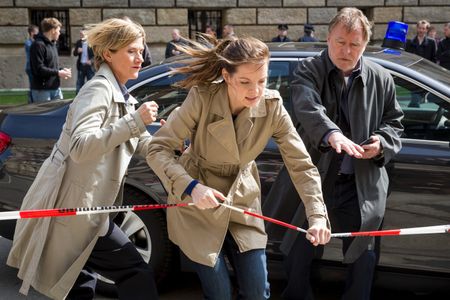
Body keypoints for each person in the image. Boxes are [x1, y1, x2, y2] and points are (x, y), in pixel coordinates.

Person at [146, 36, 331, 299]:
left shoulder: (273, 107)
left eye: (262, 81)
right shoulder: (201, 97)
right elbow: (157, 149)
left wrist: (317, 216)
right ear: (227, 76)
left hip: (242, 200)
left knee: (257, 290)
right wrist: (192, 187)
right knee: (219, 292)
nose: (255, 90)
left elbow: (301, 165)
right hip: (196, 200)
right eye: (245, 81)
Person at [7, 18, 159, 300]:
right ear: (108, 54)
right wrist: (136, 122)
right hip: (76, 208)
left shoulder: (119, 91)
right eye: (131, 51)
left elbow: (136, 141)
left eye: (141, 50)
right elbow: (80, 146)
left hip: (88, 208)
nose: (140, 58)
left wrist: (173, 146)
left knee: (81, 282)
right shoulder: (98, 89)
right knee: (135, 273)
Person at [265, 8, 404, 300]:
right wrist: (332, 134)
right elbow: (306, 107)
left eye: (354, 44)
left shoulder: (381, 77)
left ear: (365, 44)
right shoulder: (307, 70)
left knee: (362, 259)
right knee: (298, 253)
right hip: (314, 180)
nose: (346, 50)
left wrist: (381, 143)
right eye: (340, 42)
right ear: (328, 38)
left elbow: (395, 122)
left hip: (361, 184)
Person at [29, 17, 72, 102]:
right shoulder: (38, 45)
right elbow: (39, 69)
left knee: (60, 115)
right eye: (58, 30)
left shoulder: (53, 45)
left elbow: (51, 66)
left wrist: (62, 70)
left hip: (56, 88)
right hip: (42, 90)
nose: (59, 33)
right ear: (53, 30)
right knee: (44, 115)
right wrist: (58, 72)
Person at [73, 27, 95, 94]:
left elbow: (97, 55)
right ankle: (77, 98)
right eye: (80, 34)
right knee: (79, 84)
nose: (81, 35)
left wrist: (91, 61)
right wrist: (77, 51)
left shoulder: (92, 43)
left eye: (82, 34)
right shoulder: (78, 42)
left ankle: (90, 97)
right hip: (81, 66)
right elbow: (74, 54)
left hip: (90, 67)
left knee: (90, 84)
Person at [24, 24, 39, 103]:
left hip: (34, 67)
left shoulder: (35, 42)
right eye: (36, 32)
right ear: (32, 33)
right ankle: (31, 101)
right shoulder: (28, 43)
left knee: (35, 85)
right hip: (30, 67)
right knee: (32, 86)